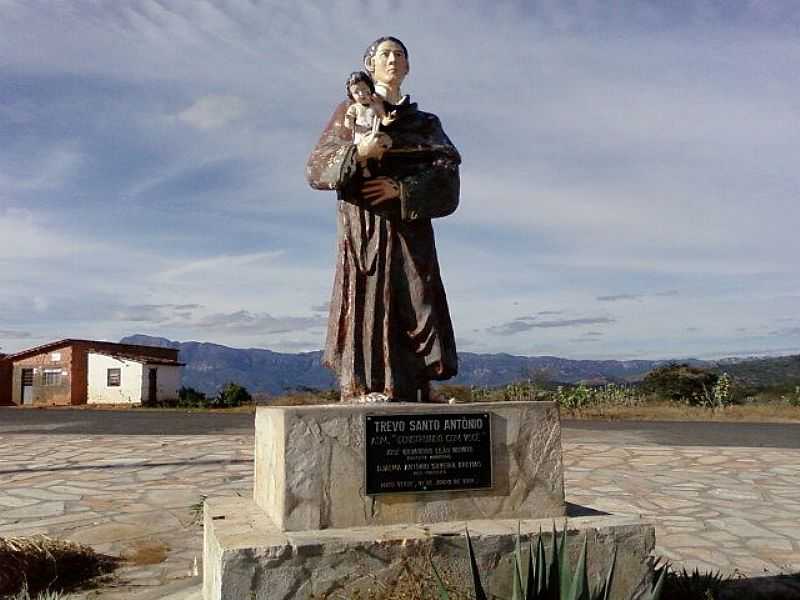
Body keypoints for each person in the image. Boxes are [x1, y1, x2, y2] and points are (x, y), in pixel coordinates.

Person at [306, 36, 460, 402]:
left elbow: (447, 175)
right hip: (366, 229)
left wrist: (401, 188)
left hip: (411, 229)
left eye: (400, 55)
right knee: (368, 302)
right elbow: (316, 168)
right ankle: (363, 386)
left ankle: (417, 386)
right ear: (370, 64)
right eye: (385, 54)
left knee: (415, 299)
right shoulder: (349, 113)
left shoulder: (424, 123)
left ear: (407, 67)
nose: (393, 60)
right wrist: (358, 151)